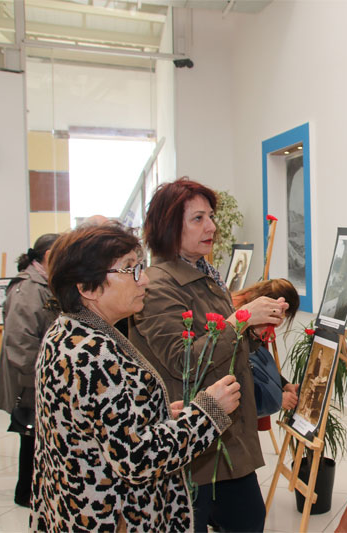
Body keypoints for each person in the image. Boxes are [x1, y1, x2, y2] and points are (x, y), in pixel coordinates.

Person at [31, 225, 241, 532]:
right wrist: (208, 413)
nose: (143, 279)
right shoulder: (91, 353)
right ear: (87, 288)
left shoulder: (68, 333)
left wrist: (155, 415)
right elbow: (138, 458)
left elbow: (96, 424)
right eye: (129, 269)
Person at [129, 177, 289, 532]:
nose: (212, 227)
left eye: (211, 216)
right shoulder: (157, 286)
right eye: (198, 219)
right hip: (193, 443)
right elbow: (183, 361)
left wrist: (253, 329)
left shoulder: (206, 274)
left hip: (226, 437)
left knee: (249, 519)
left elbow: (225, 348)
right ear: (170, 227)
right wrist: (242, 319)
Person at [0, 233, 60, 508]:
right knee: (31, 438)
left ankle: (33, 493)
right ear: (46, 257)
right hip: (29, 381)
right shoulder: (28, 289)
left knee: (36, 440)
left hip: (36, 377)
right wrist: (48, 376)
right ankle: (27, 496)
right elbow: (20, 344)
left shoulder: (44, 284)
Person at [231, 278, 301, 412]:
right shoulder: (236, 316)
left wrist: (284, 384)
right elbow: (240, 371)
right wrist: (278, 398)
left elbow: (257, 363)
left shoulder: (255, 319)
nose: (277, 323)